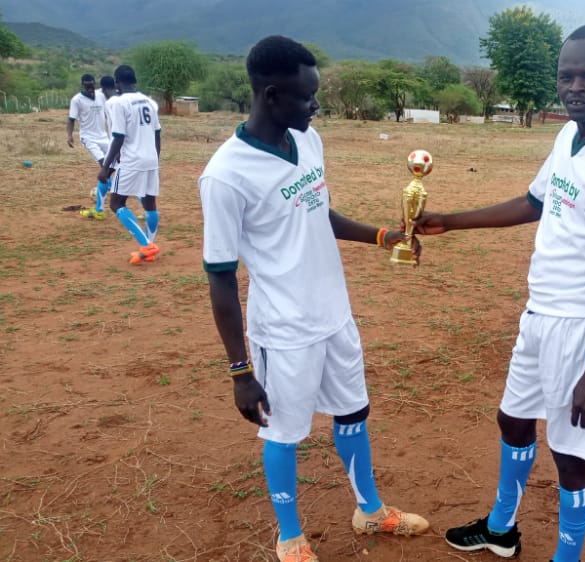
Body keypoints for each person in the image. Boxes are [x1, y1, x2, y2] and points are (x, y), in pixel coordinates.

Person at [415, 24, 585, 562]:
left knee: (570, 455)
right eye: (566, 76)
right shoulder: (569, 136)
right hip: (541, 312)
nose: (576, 87)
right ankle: (501, 529)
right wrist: (451, 221)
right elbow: (534, 203)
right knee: (513, 418)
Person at [199, 35, 429, 562]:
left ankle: (369, 511)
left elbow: (317, 212)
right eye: (307, 96)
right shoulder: (226, 176)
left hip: (334, 315)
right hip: (284, 331)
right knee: (283, 433)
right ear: (272, 94)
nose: (316, 105)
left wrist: (383, 236)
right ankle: (291, 538)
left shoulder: (308, 141)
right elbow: (220, 277)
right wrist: (240, 371)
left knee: (354, 412)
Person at [98, 65, 161, 263]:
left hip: (132, 160)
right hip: (151, 159)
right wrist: (155, 158)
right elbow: (157, 132)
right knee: (149, 204)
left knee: (116, 203)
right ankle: (149, 249)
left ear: (117, 82)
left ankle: (146, 246)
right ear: (135, 81)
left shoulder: (119, 103)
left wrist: (106, 167)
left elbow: (118, 136)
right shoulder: (149, 102)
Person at [68, 73, 113, 219]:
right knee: (104, 165)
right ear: (83, 85)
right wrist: (69, 136)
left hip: (104, 137)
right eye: (87, 86)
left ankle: (109, 187)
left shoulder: (101, 95)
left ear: (95, 84)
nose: (90, 88)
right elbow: (71, 119)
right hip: (88, 138)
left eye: (91, 85)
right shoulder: (77, 100)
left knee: (114, 164)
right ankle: (101, 204)